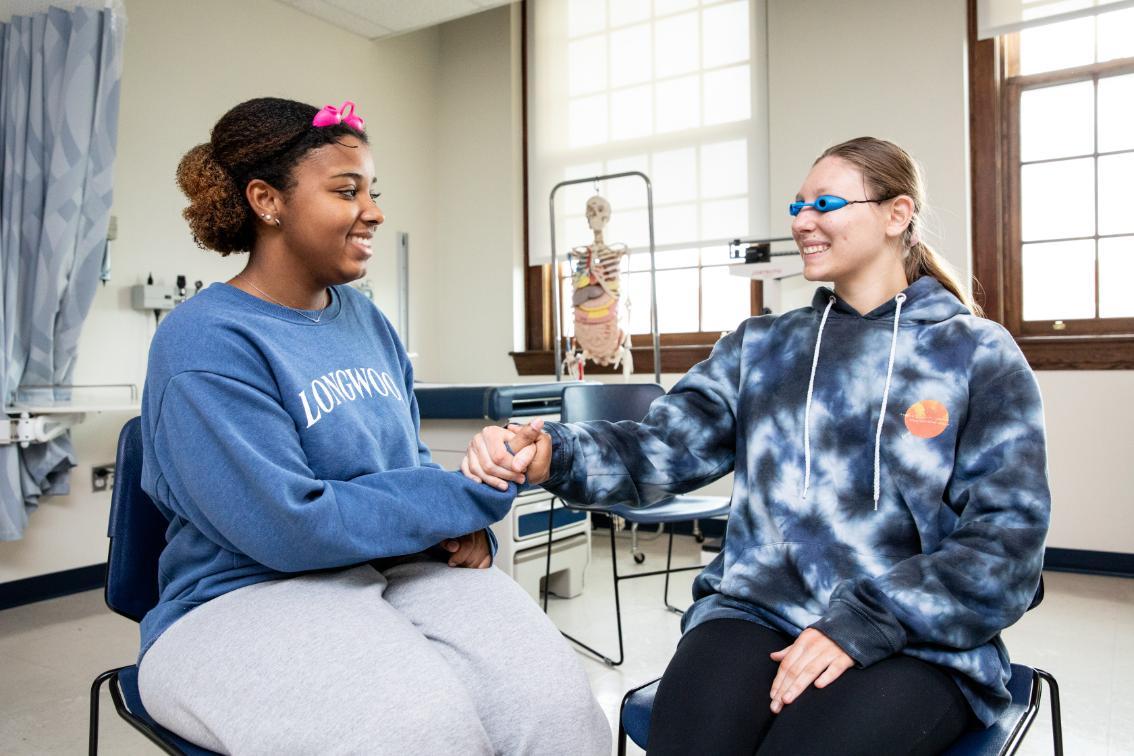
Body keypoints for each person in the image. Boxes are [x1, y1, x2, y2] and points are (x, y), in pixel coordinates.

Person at [463, 137, 1051, 755]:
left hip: (915, 633)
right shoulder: (764, 346)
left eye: (825, 203)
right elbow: (664, 446)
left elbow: (1006, 543)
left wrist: (866, 621)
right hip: (758, 608)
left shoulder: (977, 354)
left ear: (896, 214)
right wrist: (555, 453)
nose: (802, 221)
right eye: (798, 206)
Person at [137, 97, 610, 755]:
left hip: (396, 571)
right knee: (425, 733)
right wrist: (464, 499)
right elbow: (289, 525)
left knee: (558, 714)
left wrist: (460, 530)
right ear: (267, 200)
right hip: (241, 593)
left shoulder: (366, 321)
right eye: (345, 190)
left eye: (372, 191)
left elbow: (405, 467)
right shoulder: (205, 340)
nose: (374, 211)